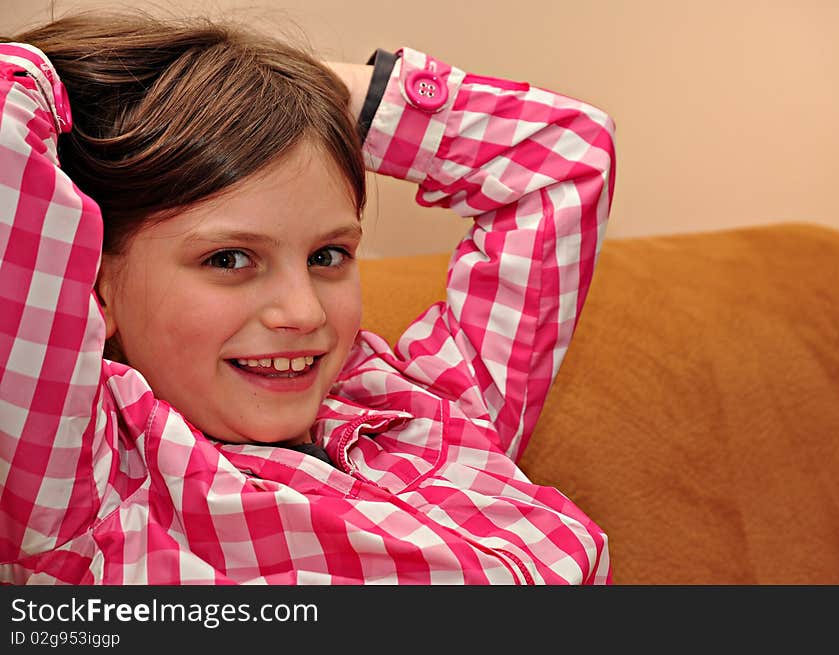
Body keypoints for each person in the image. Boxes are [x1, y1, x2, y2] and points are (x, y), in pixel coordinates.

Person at [0, 11, 616, 584]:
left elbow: (565, 155)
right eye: (230, 259)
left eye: (328, 256)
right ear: (93, 286)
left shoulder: (427, 405)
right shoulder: (85, 495)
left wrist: (297, 92)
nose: (305, 312)